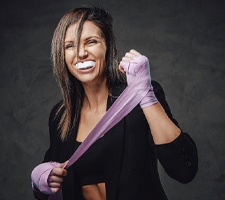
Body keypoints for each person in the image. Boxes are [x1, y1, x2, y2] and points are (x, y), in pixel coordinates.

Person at [31, 5, 198, 200]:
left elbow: (184, 170)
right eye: (70, 46)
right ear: (62, 55)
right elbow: (52, 185)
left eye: (91, 42)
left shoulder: (139, 97)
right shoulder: (60, 116)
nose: (81, 53)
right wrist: (40, 181)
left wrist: (145, 95)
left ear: (107, 46)